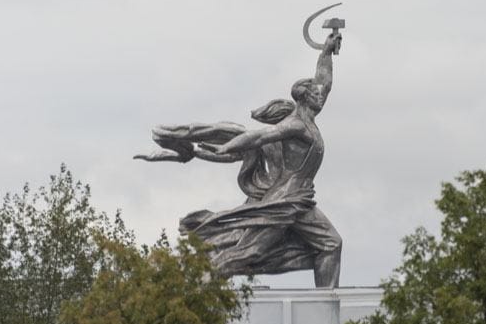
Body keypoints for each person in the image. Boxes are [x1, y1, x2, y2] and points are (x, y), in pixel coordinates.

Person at [136, 32, 343, 288]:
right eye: (315, 93)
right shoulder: (295, 124)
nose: (320, 96)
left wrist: (326, 52)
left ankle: (325, 309)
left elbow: (325, 81)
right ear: (303, 98)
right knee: (249, 253)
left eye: (319, 93)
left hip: (302, 201)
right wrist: (225, 148)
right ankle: (192, 286)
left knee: (332, 244)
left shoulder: (310, 118)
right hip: (284, 202)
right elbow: (257, 137)